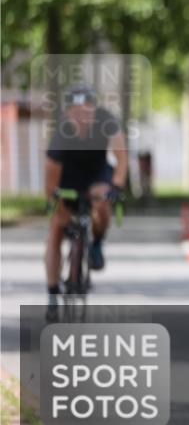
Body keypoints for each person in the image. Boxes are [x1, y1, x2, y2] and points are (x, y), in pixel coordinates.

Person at [44, 85, 127, 318]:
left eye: (87, 110)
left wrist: (117, 185)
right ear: (68, 113)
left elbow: (121, 155)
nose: (82, 116)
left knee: (103, 201)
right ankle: (52, 294)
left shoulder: (106, 120)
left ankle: (98, 242)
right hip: (66, 177)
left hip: (96, 173)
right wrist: (60, 212)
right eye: (76, 111)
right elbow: (50, 185)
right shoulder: (61, 134)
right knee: (56, 231)